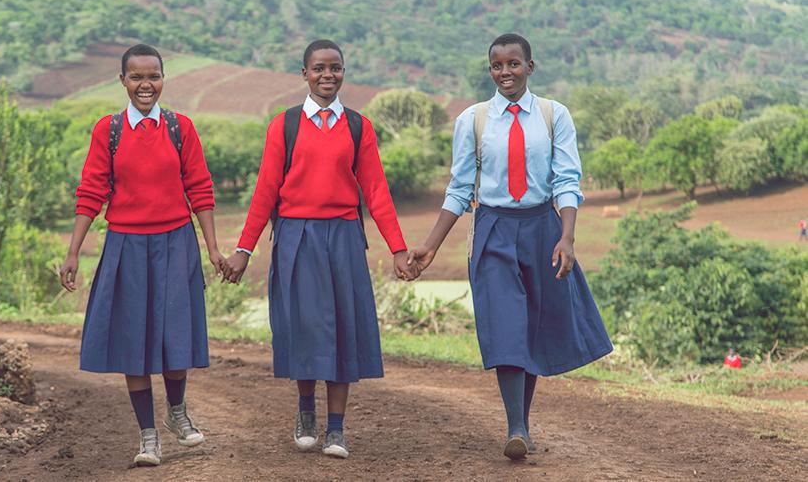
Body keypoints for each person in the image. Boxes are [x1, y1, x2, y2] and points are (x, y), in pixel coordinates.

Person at [408, 33, 613, 460]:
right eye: (498, 66)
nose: (506, 72)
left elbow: (567, 179)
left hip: (542, 227)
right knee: (506, 326)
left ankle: (522, 422)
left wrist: (567, 236)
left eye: (514, 64)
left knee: (533, 325)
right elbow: (460, 188)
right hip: (493, 229)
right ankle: (516, 427)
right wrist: (429, 246)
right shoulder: (474, 120)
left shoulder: (554, 116)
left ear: (530, 67)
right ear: (490, 71)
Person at [222, 39, 419, 459]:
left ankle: (336, 429)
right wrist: (245, 249)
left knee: (343, 327)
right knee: (305, 326)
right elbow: (265, 191)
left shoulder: (358, 126)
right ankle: (305, 410)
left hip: (345, 236)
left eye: (336, 68)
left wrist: (398, 250)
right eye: (319, 68)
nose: (327, 75)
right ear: (304, 73)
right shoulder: (285, 125)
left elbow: (376, 191)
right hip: (296, 237)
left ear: (344, 72)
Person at [59, 44, 225, 467]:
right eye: (136, 77)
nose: (145, 85)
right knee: (134, 342)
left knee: (175, 336)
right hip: (126, 245)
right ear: (123, 81)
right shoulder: (108, 131)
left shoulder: (180, 127)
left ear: (163, 79)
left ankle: (177, 412)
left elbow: (200, 190)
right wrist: (74, 251)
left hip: (176, 242)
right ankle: (148, 435)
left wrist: (211, 247)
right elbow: (91, 191)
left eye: (153, 76)